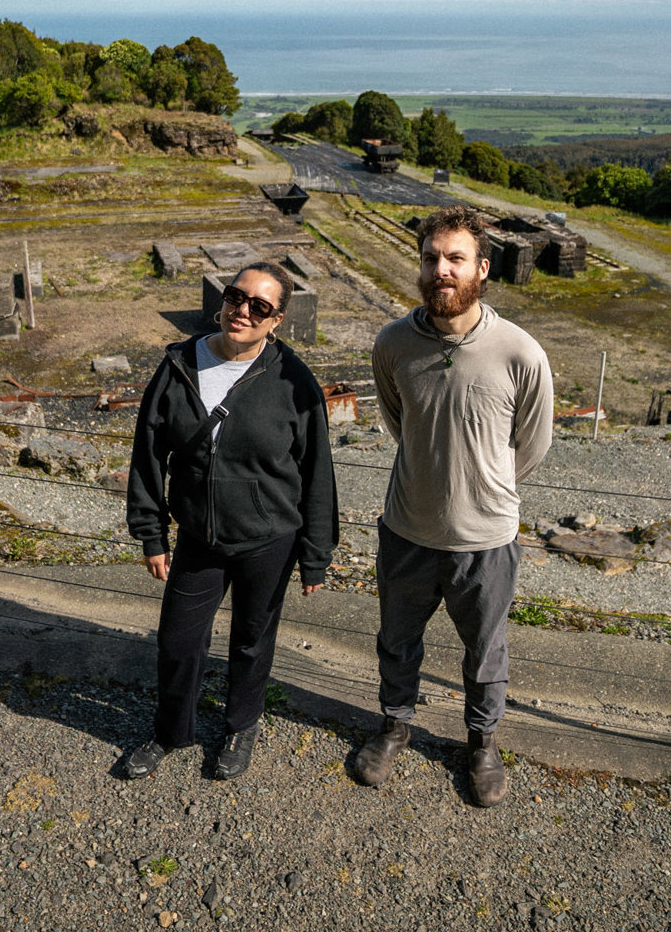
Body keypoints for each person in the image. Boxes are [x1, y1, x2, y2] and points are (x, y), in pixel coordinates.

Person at [354, 205, 553, 806]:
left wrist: (484, 488)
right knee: (397, 637)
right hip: (407, 530)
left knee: (486, 648)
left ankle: (483, 742)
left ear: (482, 268)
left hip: (486, 541)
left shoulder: (521, 353)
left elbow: (533, 444)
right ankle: (394, 726)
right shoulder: (392, 344)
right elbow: (399, 422)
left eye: (455, 259)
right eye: (431, 258)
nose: (441, 270)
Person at [123, 261, 337, 780]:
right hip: (200, 536)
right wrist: (152, 533)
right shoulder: (178, 365)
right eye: (236, 297)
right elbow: (148, 454)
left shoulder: (293, 380)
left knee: (252, 639)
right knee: (177, 641)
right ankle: (171, 732)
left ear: (277, 320)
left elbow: (317, 471)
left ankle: (241, 726)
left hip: (271, 539)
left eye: (260, 306)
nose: (242, 311)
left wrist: (315, 555)